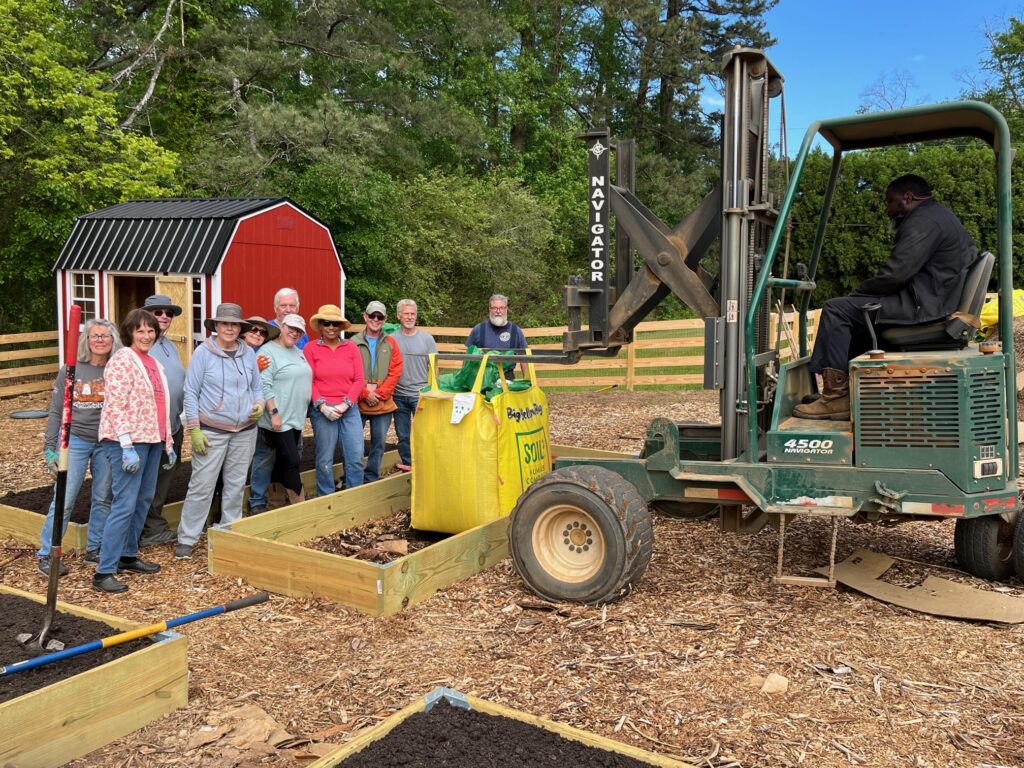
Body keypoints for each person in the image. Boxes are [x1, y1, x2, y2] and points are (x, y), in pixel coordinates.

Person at [794, 174, 976, 420]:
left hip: (924, 305)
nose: (887, 209)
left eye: (889, 202)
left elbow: (895, 274)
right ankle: (846, 392)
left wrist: (858, 293)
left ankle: (835, 398)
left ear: (907, 198)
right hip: (933, 300)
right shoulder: (937, 216)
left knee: (837, 309)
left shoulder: (924, 221)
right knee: (855, 314)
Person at [93, 309, 175, 593]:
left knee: (144, 499)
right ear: (129, 333)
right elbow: (115, 404)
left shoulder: (153, 361)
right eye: (140, 331)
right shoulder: (122, 360)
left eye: (151, 331)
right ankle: (104, 571)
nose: (146, 335)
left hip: (152, 438)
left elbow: (160, 402)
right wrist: (126, 445)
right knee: (124, 502)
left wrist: (168, 441)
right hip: (127, 441)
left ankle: (128, 555)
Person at [175, 304, 265, 560]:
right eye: (224, 323)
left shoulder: (247, 353)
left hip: (245, 430)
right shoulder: (203, 353)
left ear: (240, 328)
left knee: (235, 485)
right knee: (202, 486)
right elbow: (190, 392)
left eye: (234, 324)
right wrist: (194, 429)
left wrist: (258, 405)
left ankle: (229, 532)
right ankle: (187, 538)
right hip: (211, 430)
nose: (229, 328)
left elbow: (257, 387)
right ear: (215, 326)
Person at [37, 318, 121, 575]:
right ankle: (47, 554)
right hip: (76, 440)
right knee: (65, 496)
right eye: (94, 336)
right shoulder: (72, 369)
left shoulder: (117, 369)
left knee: (103, 497)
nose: (100, 340)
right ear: (86, 340)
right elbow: (55, 410)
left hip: (107, 441)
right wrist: (50, 446)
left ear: (113, 340)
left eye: (105, 336)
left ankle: (94, 547)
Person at [138, 295, 187, 549]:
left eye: (169, 313)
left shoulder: (169, 345)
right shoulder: (140, 347)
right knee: (149, 479)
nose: (164, 316)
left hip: (173, 425)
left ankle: (151, 526)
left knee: (165, 476)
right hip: (151, 428)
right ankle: (147, 530)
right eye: (158, 312)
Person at [305, 304, 364, 497]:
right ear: (320, 325)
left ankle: (353, 495)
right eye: (326, 323)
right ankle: (326, 497)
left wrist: (345, 404)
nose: (331, 327)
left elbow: (359, 380)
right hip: (323, 409)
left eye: (335, 323)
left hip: (349, 408)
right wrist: (321, 406)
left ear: (341, 327)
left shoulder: (351, 348)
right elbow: (309, 380)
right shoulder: (310, 348)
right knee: (324, 459)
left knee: (355, 455)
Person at [257, 313, 313, 507]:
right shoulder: (267, 351)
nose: (294, 333)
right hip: (279, 418)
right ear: (281, 327)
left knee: (282, 462)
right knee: (292, 460)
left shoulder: (298, 351)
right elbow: (264, 384)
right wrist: (273, 412)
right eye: (291, 328)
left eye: (298, 331)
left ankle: (275, 502)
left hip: (296, 416)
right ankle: (300, 505)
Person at [352, 301, 403, 483]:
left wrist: (380, 395)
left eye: (379, 317)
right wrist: (365, 394)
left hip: (382, 402)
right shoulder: (353, 343)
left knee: (379, 443)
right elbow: (349, 373)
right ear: (365, 316)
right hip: (358, 401)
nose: (375, 319)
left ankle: (371, 477)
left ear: (385, 319)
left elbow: (396, 371)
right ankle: (354, 477)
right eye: (372, 316)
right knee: (354, 443)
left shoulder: (391, 343)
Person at [390, 299, 436, 472]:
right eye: (406, 314)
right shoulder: (391, 339)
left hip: (420, 394)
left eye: (412, 314)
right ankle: (408, 465)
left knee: (424, 433)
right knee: (402, 435)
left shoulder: (427, 339)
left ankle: (425, 465)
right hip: (399, 395)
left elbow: (434, 367)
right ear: (398, 315)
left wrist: (432, 390)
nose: (409, 317)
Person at [243, 316, 280, 514]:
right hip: (235, 416)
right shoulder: (237, 350)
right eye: (253, 330)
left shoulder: (265, 353)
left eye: (262, 332)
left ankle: (257, 498)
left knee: (259, 455)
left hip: (258, 413)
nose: (257, 334)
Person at [466, 294, 527, 378]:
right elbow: (468, 356)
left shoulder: (515, 331)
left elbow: (524, 358)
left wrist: (528, 382)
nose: (498, 311)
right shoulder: (479, 329)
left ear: (506, 309)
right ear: (490, 309)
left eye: (501, 308)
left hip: (507, 378)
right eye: (495, 308)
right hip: (482, 379)